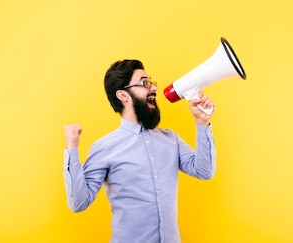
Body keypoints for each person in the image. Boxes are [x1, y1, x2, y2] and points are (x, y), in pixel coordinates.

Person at [62, 59, 217, 243]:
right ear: (123, 95)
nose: (153, 89)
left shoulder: (171, 139)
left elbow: (204, 171)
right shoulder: (104, 148)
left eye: (151, 82)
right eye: (145, 83)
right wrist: (72, 148)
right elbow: (79, 203)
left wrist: (202, 123)